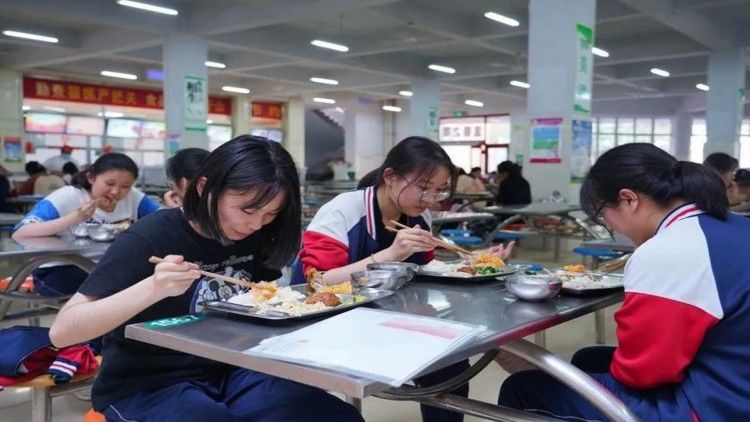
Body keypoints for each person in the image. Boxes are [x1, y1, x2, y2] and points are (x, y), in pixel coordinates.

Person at [48, 136, 363, 422]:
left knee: (335, 416)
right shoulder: (149, 238)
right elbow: (62, 332)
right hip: (148, 384)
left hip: (233, 368)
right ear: (204, 187)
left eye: (270, 215)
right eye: (246, 209)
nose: (255, 225)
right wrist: (152, 288)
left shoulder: (257, 235)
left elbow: (264, 304)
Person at [497, 143, 750, 421]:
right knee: (588, 358)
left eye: (604, 216)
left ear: (629, 199)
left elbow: (642, 373)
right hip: (735, 378)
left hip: (716, 407)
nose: (612, 227)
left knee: (522, 388)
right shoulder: (732, 225)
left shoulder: (668, 251)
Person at [296, 136, 514, 422]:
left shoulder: (419, 216)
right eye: (423, 188)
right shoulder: (344, 211)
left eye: (438, 191)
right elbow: (319, 282)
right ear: (390, 177)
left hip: (382, 313)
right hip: (323, 319)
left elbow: (424, 264)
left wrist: (472, 262)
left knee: (451, 362)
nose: (429, 199)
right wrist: (390, 253)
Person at [12, 153, 161, 296]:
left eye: (125, 186)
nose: (116, 191)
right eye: (109, 183)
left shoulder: (134, 197)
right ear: (91, 177)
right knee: (116, 294)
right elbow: (21, 232)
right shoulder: (68, 196)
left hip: (110, 267)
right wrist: (75, 217)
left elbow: (163, 220)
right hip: (59, 269)